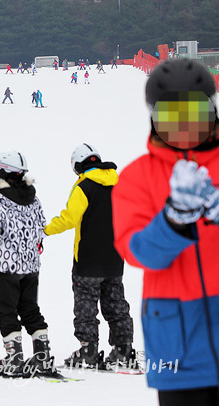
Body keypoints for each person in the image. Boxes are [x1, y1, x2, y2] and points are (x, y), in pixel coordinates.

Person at [113, 59, 219, 405]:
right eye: (173, 115)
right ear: (155, 116)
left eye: (196, 112)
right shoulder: (135, 178)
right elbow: (138, 251)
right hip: (175, 341)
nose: (186, 124)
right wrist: (174, 219)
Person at [44, 144, 136, 369]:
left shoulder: (83, 187)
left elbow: (69, 218)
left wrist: (45, 230)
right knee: (116, 302)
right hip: (115, 257)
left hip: (87, 260)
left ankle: (88, 350)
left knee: (86, 304)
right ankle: (123, 348)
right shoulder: (120, 185)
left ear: (78, 166)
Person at [0, 151, 51, 377]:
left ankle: (14, 358)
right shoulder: (34, 198)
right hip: (30, 266)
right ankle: (43, 356)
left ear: (3, 172)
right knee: (30, 309)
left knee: (6, 311)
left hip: (5, 266)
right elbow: (41, 227)